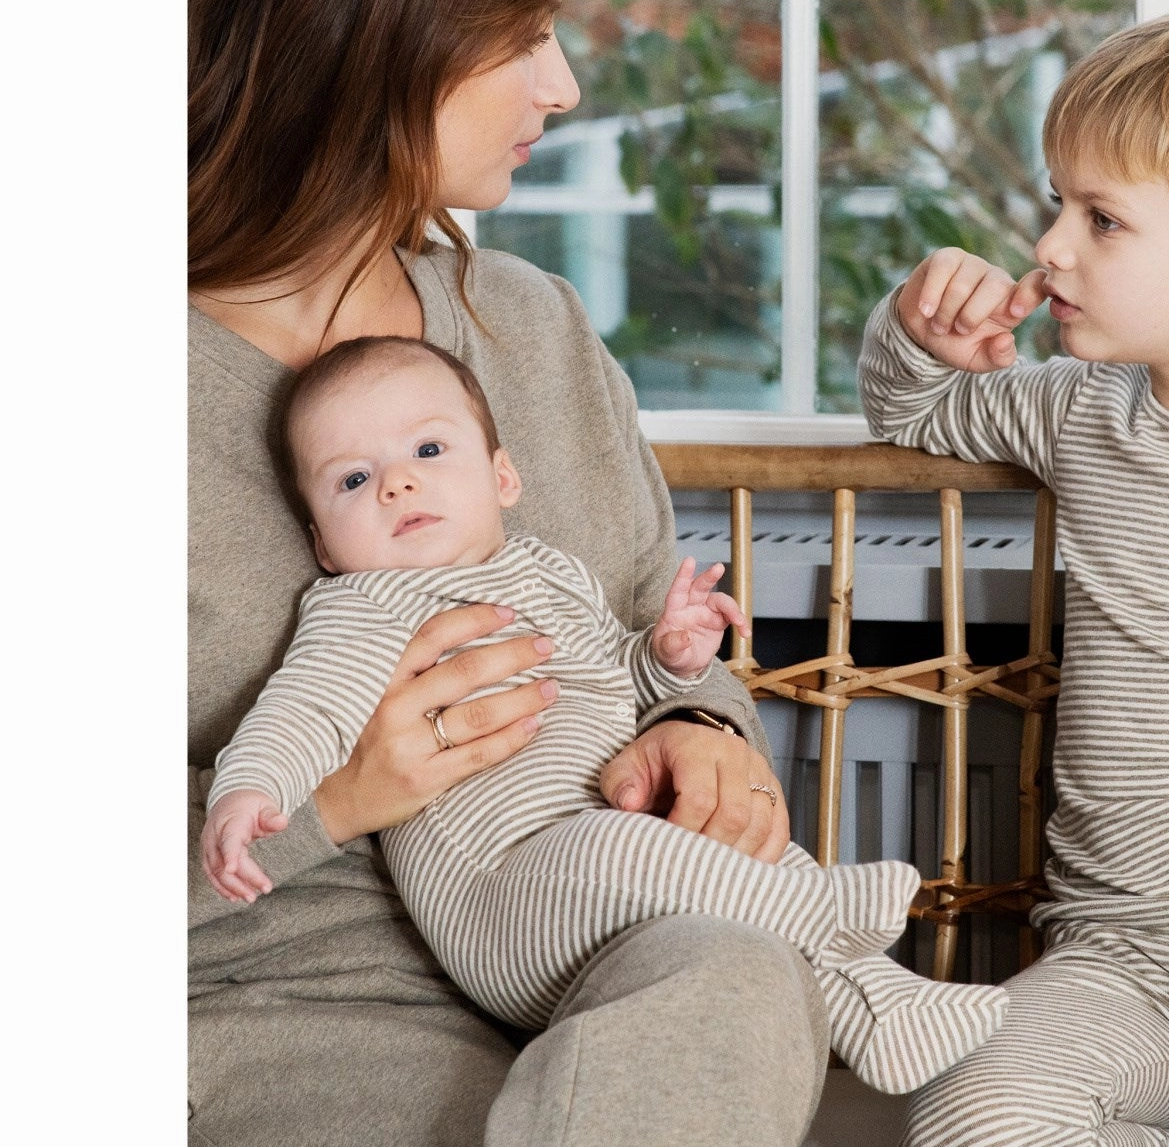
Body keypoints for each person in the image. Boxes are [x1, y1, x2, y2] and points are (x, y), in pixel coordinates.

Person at [190, 0, 828, 1147]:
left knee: (732, 976)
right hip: (296, 1002)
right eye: (528, 36)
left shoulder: (528, 328)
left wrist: (705, 736)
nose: (566, 87)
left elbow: (655, 631)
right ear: (379, 34)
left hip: (605, 934)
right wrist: (336, 794)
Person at [201, 334, 1007, 1094]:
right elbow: (299, 709)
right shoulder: (361, 606)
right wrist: (247, 795)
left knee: (745, 852)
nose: (396, 483)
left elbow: (611, 673)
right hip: (502, 897)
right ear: (323, 545)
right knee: (621, 843)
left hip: (613, 863)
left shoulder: (552, 573)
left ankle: (884, 1010)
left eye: (429, 451)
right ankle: (829, 913)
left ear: (503, 478)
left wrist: (667, 657)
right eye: (352, 480)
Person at [858, 10, 1169, 1147]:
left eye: (1101, 219)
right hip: (1116, 963)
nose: (1050, 247)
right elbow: (912, 413)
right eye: (1059, 205)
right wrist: (920, 333)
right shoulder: (1077, 413)